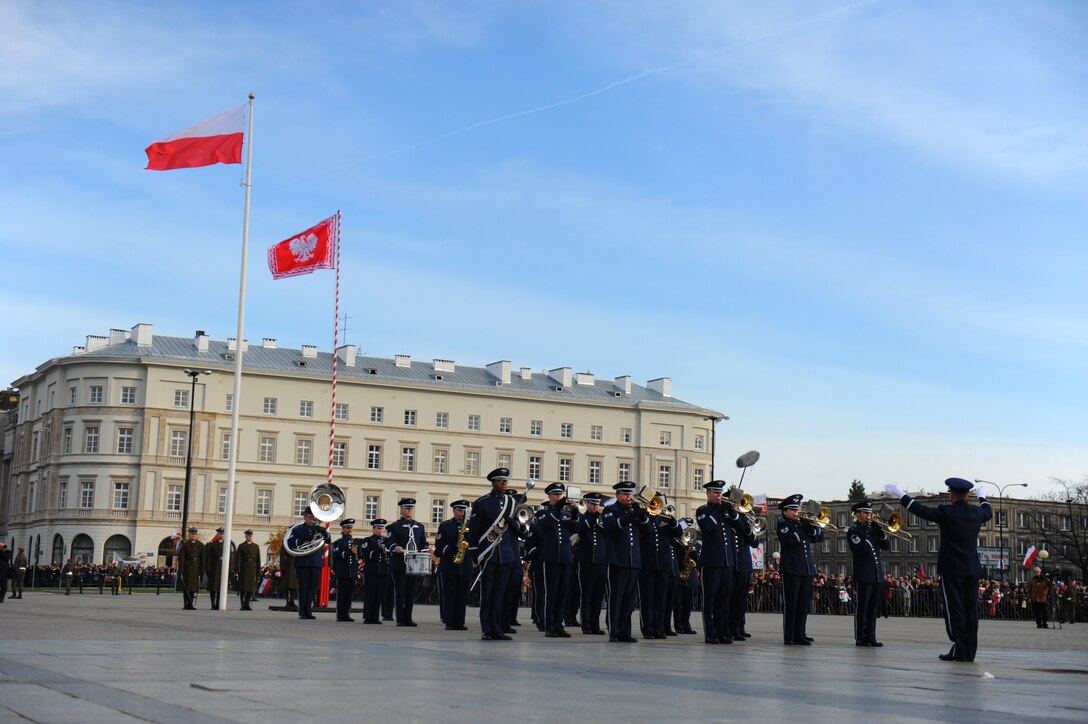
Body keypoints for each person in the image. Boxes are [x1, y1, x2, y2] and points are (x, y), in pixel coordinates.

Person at [885, 477, 992, 662]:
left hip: (951, 568)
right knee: (971, 610)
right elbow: (988, 511)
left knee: (954, 609)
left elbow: (922, 511)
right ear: (968, 495)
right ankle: (969, 651)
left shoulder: (947, 512)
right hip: (972, 568)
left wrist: (901, 495)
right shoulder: (976, 512)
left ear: (952, 495)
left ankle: (959, 648)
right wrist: (982, 497)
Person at [468, 467, 523, 641]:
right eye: (501, 481)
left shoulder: (512, 502)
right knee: (488, 594)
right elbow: (474, 531)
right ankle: (487, 629)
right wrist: (474, 555)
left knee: (501, 594)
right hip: (488, 554)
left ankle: (498, 628)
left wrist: (513, 523)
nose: (505, 484)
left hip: (506, 554)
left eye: (506, 481)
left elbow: (521, 531)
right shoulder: (482, 503)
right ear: (494, 483)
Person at [601, 480, 647, 642]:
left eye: (631, 494)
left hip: (633, 560)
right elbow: (612, 527)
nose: (629, 497)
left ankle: (625, 632)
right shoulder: (610, 510)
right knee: (616, 597)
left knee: (629, 599)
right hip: (616, 560)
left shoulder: (633, 509)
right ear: (618, 495)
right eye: (626, 494)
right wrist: (630, 515)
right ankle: (614, 631)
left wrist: (643, 516)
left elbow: (646, 530)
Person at [776, 494, 824, 646]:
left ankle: (800, 634)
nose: (797, 512)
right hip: (791, 568)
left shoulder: (801, 524)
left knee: (803, 604)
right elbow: (791, 540)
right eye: (793, 510)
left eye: (798, 509)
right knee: (791, 604)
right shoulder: (783, 523)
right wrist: (804, 527)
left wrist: (813, 524)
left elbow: (818, 538)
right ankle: (789, 636)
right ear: (785, 511)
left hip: (806, 569)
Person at [697, 480, 740, 644]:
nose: (719, 495)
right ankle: (710, 632)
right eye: (715, 492)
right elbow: (706, 526)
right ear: (708, 493)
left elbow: (740, 527)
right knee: (710, 600)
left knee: (724, 600)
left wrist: (734, 512)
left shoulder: (727, 511)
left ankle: (722, 631)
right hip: (711, 562)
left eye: (720, 492)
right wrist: (719, 512)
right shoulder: (703, 510)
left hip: (727, 562)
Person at [537, 482, 580, 638]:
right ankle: (549, 625)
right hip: (550, 557)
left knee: (563, 593)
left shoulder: (566, 514)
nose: (558, 497)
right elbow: (543, 527)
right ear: (549, 497)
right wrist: (556, 509)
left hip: (565, 557)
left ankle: (558, 624)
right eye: (555, 494)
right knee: (551, 592)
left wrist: (575, 514)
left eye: (560, 494)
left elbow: (576, 530)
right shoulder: (544, 513)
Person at [639, 491, 681, 639]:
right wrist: (645, 513)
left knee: (660, 598)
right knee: (647, 599)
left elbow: (678, 532)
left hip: (663, 565)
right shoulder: (644, 519)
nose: (656, 506)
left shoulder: (665, 520)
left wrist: (672, 519)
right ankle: (648, 628)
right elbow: (645, 531)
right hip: (648, 564)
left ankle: (659, 628)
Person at [847, 500, 889, 647]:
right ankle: (861, 637)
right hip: (864, 574)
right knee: (863, 608)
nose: (869, 515)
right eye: (866, 513)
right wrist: (872, 534)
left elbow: (886, 546)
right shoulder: (854, 531)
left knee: (873, 609)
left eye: (870, 513)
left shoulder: (873, 530)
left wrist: (881, 533)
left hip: (876, 574)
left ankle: (871, 637)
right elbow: (862, 550)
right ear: (858, 514)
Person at [385, 498, 429, 626]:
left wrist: (427, 549)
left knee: (411, 592)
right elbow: (388, 542)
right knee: (400, 592)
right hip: (399, 564)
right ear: (402, 509)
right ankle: (400, 619)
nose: (409, 510)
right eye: (407, 508)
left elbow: (423, 543)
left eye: (411, 508)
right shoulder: (395, 526)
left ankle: (408, 618)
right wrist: (395, 547)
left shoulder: (419, 527)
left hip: (414, 565)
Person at [727, 493, 760, 641]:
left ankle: (740, 627)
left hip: (745, 564)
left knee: (741, 599)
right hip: (732, 563)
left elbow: (754, 542)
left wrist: (747, 524)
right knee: (730, 599)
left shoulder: (745, 521)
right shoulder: (728, 518)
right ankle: (730, 628)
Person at [435, 500, 473, 631]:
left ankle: (459, 622)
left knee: (462, 595)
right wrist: (450, 549)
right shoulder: (445, 526)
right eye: (459, 510)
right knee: (449, 594)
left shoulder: (469, 526)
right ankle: (449, 621)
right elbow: (439, 546)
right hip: (450, 565)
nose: (461, 513)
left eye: (463, 511)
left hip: (465, 565)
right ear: (453, 510)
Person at [287, 509, 331, 620]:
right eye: (310, 517)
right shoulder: (297, 530)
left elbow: (328, 540)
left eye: (314, 517)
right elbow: (291, 543)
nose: (312, 519)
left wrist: (325, 532)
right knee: (303, 588)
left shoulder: (318, 530)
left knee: (312, 588)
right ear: (305, 517)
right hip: (303, 562)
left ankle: (309, 611)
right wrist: (304, 538)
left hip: (315, 562)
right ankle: (302, 611)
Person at [576, 492, 608, 635]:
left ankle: (595, 624)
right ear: (587, 504)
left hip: (601, 561)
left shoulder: (603, 519)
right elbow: (582, 528)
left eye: (597, 504)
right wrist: (596, 515)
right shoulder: (582, 518)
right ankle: (586, 624)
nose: (595, 507)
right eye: (592, 504)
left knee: (598, 595)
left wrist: (602, 515)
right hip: (586, 560)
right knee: (587, 594)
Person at [359, 519, 392, 624]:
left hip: (383, 571)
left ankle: (376, 617)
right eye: (378, 528)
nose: (380, 530)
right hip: (371, 571)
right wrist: (379, 550)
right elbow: (367, 555)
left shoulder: (387, 541)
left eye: (382, 528)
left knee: (380, 595)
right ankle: (368, 617)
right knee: (370, 594)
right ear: (373, 529)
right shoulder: (367, 540)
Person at [331, 519, 359, 622]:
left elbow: (356, 558)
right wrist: (350, 552)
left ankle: (347, 614)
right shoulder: (339, 542)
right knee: (342, 595)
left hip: (351, 573)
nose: (350, 530)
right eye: (347, 528)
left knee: (348, 596)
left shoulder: (354, 542)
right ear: (343, 529)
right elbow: (339, 555)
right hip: (342, 573)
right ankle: (340, 615)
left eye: (351, 528)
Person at [177, 527, 204, 611]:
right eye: (192, 534)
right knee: (186, 587)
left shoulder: (201, 545)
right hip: (187, 567)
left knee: (193, 587)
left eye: (195, 534)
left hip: (196, 568)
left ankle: (191, 603)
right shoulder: (185, 545)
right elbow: (182, 558)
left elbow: (203, 559)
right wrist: (181, 570)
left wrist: (202, 570)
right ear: (189, 534)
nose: (193, 535)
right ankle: (186, 603)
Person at [235, 529, 262, 611]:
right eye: (247, 536)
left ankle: (247, 604)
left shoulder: (256, 546)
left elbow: (258, 560)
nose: (249, 537)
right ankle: (242, 604)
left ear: (251, 536)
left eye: (250, 536)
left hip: (252, 569)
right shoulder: (241, 546)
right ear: (245, 537)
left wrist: (258, 572)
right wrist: (238, 571)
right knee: (243, 588)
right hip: (244, 568)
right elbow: (238, 559)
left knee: (250, 588)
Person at [204, 527, 225, 610]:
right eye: (220, 533)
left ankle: (219, 604)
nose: (221, 535)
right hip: (214, 568)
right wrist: (208, 568)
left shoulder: (227, 544)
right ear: (217, 534)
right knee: (213, 587)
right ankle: (213, 604)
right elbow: (208, 557)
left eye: (223, 534)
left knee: (221, 588)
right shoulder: (212, 545)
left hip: (223, 569)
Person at [278, 542, 299, 611]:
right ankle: (288, 601)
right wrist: (282, 567)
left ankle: (292, 601)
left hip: (297, 564)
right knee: (288, 585)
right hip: (289, 565)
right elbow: (282, 555)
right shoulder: (286, 541)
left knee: (295, 585)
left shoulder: (299, 540)